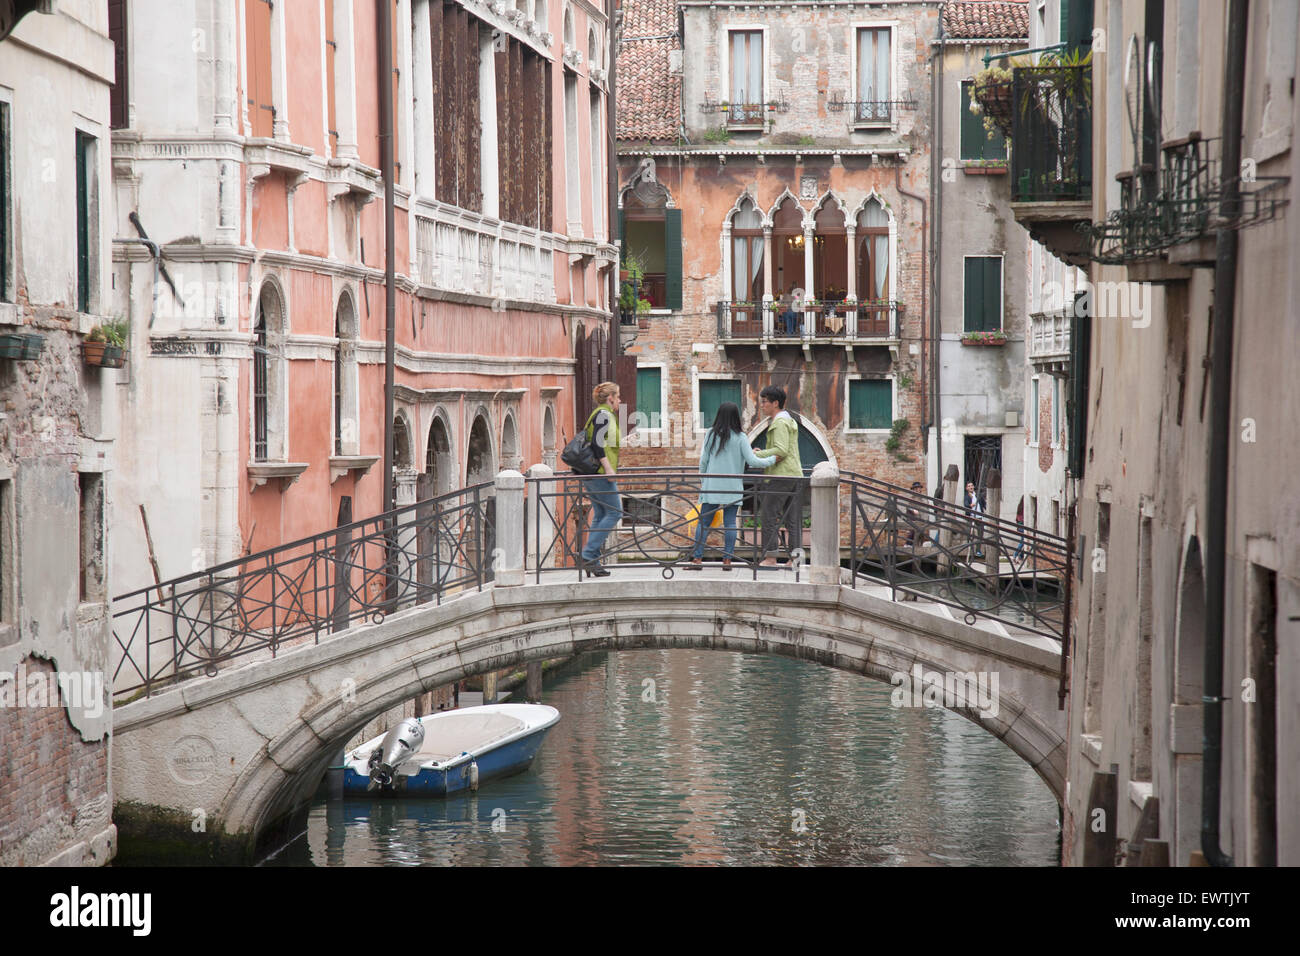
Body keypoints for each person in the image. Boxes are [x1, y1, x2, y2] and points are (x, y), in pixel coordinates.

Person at [684, 402, 776, 570]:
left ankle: (697, 559)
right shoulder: (741, 437)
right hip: (732, 487)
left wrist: (703, 481)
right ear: (736, 417)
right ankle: (727, 560)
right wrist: (772, 459)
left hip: (712, 485)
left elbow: (703, 461)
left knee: (703, 522)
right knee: (730, 523)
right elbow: (752, 461)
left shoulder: (710, 434)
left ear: (719, 416)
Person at [755, 385, 803, 566]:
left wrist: (757, 455)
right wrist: (765, 452)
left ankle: (770, 558)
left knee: (768, 515)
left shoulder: (780, 422)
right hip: (794, 474)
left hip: (781, 476)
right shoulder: (788, 420)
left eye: (764, 402)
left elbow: (781, 451)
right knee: (792, 519)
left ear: (775, 403)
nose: (762, 405)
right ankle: (795, 559)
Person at [579, 382, 622, 578]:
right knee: (615, 512)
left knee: (600, 514)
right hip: (599, 473)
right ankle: (588, 555)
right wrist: (608, 468)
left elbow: (603, 442)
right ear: (610, 398)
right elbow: (597, 445)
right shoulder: (604, 414)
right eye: (618, 397)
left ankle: (593, 562)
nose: (620, 401)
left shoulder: (601, 414)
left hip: (592, 472)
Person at [965, 481, 986, 559]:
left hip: (979, 517)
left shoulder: (978, 495)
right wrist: (971, 505)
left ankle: (978, 550)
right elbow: (966, 504)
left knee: (980, 534)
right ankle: (971, 551)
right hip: (971, 517)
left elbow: (984, 504)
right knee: (970, 534)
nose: (971, 487)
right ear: (967, 488)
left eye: (972, 485)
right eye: (969, 486)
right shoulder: (967, 496)